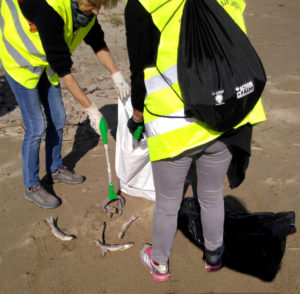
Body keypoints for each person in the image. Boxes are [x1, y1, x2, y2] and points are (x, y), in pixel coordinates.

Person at [125, 0, 266, 282]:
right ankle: (214, 254)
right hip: (226, 114)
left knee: (168, 202)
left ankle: (160, 263)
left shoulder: (142, 5)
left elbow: (139, 70)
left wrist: (137, 117)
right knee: (211, 193)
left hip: (173, 124)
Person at [0, 0, 130, 209]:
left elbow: (97, 43)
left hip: (45, 63)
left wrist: (117, 74)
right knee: (36, 127)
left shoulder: (85, 14)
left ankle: (55, 168)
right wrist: (91, 109)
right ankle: (31, 186)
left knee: (59, 118)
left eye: (100, 6)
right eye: (93, 4)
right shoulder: (50, 11)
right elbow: (65, 73)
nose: (96, 10)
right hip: (20, 63)